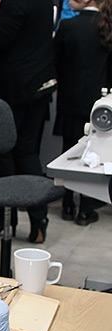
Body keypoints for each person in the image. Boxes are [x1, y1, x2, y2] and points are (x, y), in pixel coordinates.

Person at [0, 0, 56, 243]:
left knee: (5, 153)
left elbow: (0, 40)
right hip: (39, 83)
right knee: (27, 151)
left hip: (16, 87)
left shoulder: (15, 3)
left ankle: (4, 218)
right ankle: (37, 219)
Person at [53, 0, 112, 225]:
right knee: (95, 154)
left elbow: (56, 62)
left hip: (69, 98)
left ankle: (68, 203)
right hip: (98, 101)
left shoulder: (69, 27)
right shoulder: (106, 26)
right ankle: (86, 208)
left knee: (68, 151)